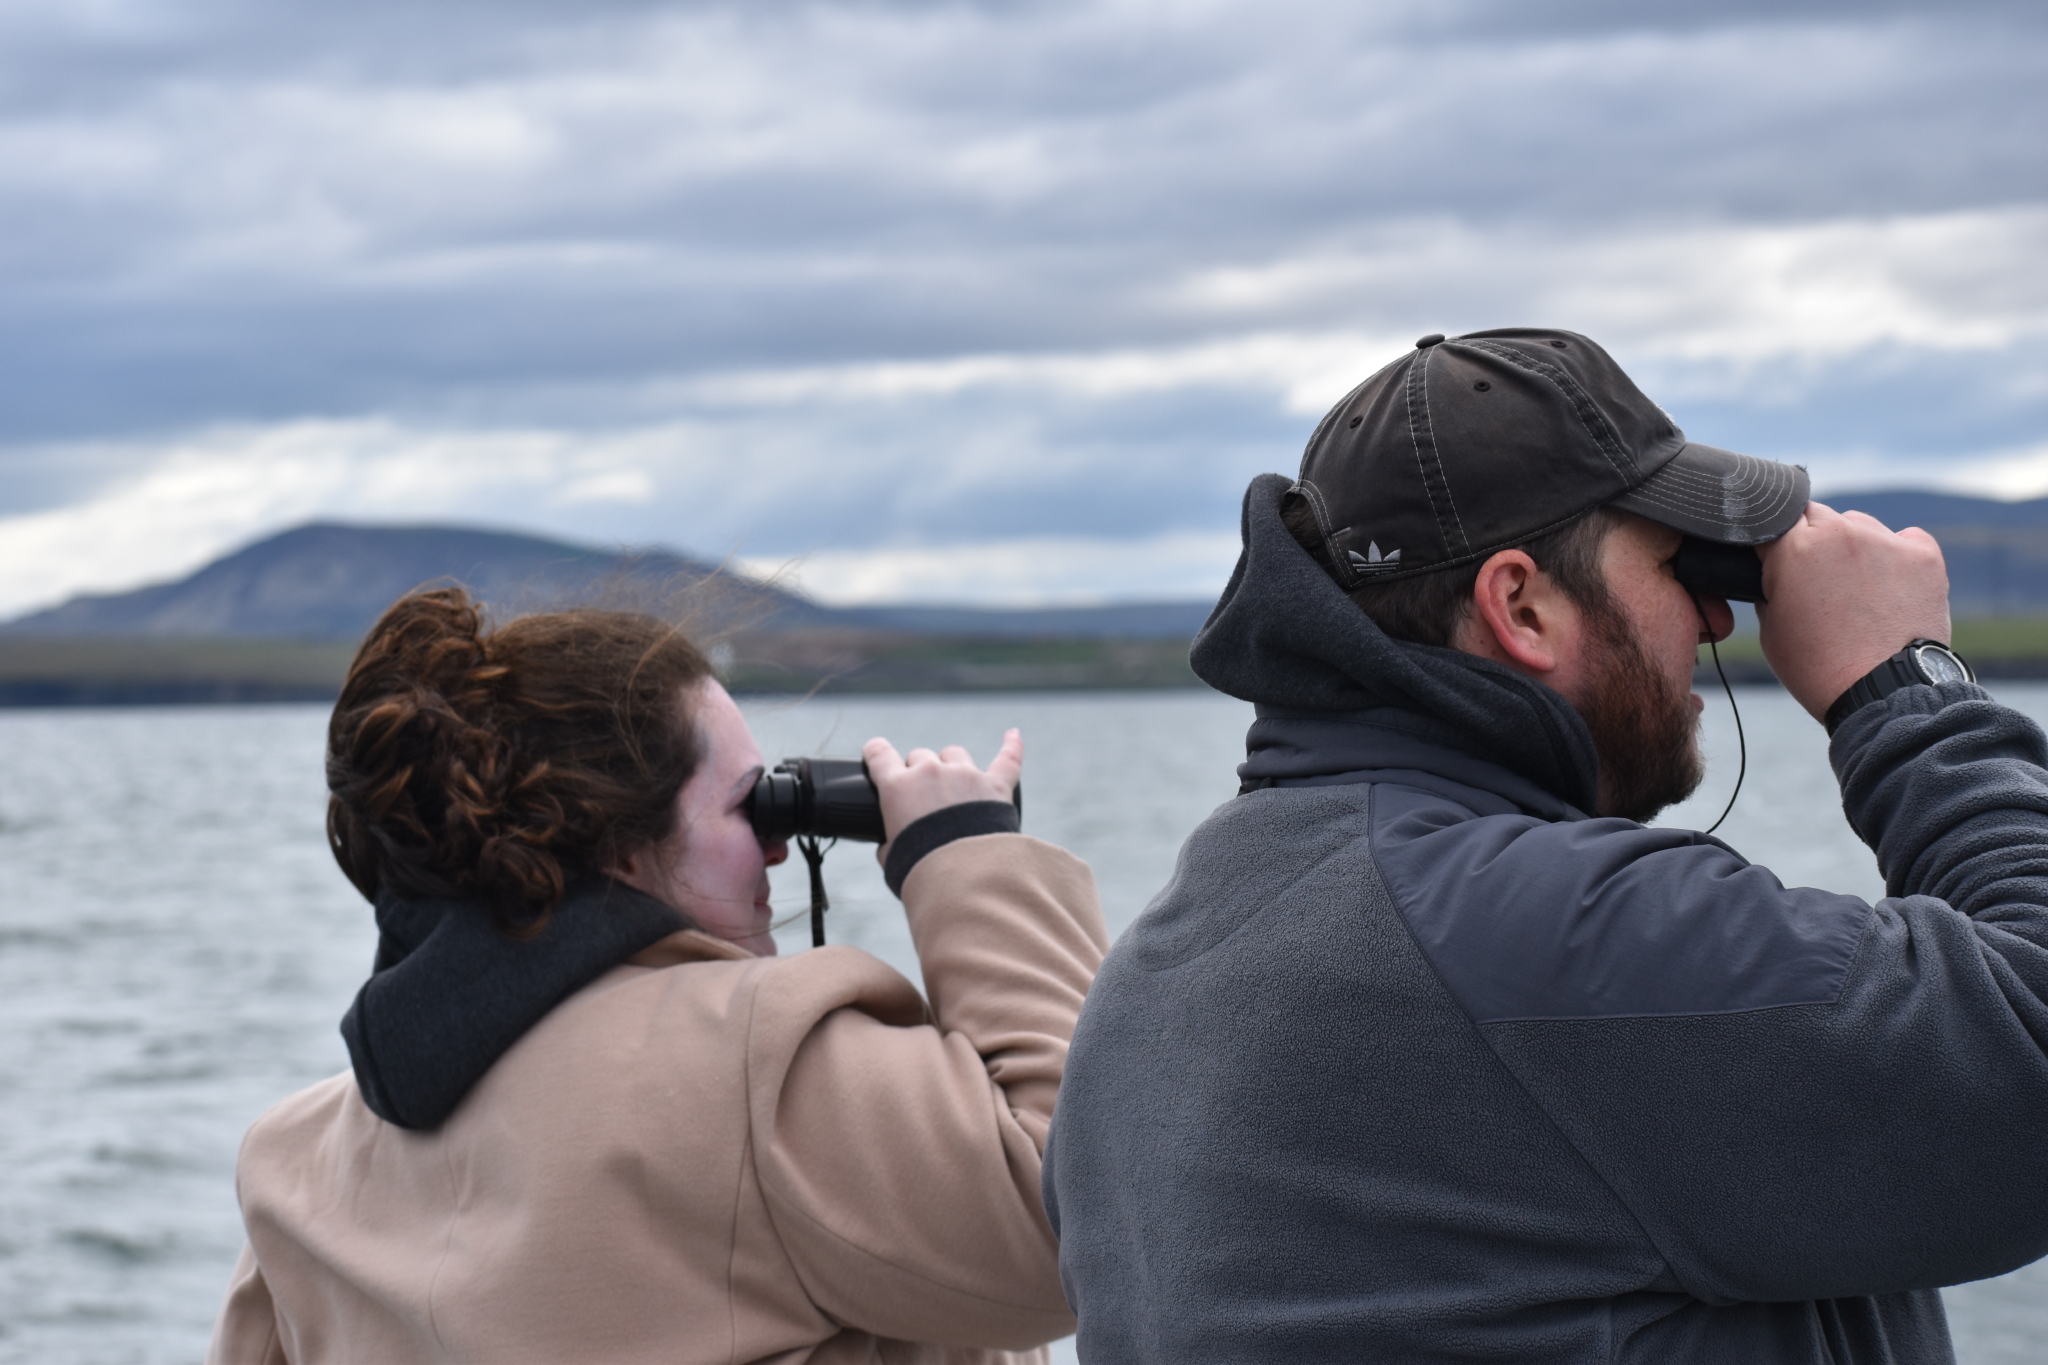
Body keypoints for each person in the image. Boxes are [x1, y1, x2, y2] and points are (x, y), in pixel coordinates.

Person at [1042, 328, 2048, 1363]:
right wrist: (1904, 689)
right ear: (1519, 605)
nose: (1713, 615)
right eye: (1675, 564)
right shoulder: (1532, 932)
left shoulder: (1147, 986)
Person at [208, 587, 1108, 1364]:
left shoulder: (293, 1163)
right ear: (618, 842)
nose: (780, 845)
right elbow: (1097, 1218)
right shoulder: (750, 1074)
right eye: (747, 804)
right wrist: (969, 854)